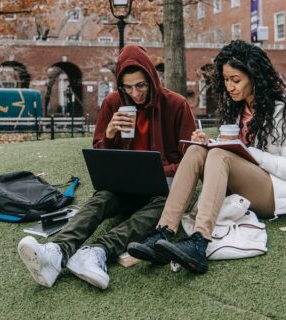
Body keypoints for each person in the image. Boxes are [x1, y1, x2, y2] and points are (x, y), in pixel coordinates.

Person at [17, 45, 196, 289]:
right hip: (124, 185)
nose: (135, 93)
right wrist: (110, 134)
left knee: (164, 205)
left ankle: (97, 251)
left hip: (162, 187)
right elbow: (100, 156)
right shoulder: (113, 102)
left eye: (141, 85)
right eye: (128, 87)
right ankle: (56, 251)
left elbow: (190, 159)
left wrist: (160, 171)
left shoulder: (176, 104)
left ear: (153, 79)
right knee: (101, 197)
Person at [127, 40, 286, 273]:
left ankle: (199, 241)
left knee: (219, 155)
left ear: (255, 77)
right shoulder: (238, 109)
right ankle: (163, 231)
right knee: (197, 150)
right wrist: (209, 143)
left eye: (236, 80)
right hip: (241, 183)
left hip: (276, 191)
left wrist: (244, 152)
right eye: (226, 80)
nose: (230, 87)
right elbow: (233, 152)